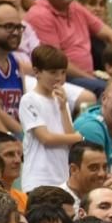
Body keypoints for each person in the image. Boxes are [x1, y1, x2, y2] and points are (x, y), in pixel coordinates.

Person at [25, 0, 112, 94]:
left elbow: (109, 35)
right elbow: (56, 63)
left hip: (89, 76)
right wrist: (92, 79)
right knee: (109, 90)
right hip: (62, 79)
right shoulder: (39, 14)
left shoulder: (75, 7)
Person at [19, 45, 84, 192]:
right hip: (39, 179)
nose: (59, 78)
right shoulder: (29, 99)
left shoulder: (61, 100)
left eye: (63, 72)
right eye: (53, 72)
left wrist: (63, 108)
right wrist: (77, 137)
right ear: (37, 72)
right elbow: (46, 138)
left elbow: (70, 140)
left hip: (62, 177)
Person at [0, 0, 23, 135]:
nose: (15, 32)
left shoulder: (16, 64)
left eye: (19, 27)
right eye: (8, 26)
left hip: (15, 136)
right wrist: (26, 138)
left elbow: (23, 110)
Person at [59, 140, 106, 209]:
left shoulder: (108, 198)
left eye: (104, 167)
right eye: (94, 168)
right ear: (73, 170)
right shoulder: (57, 202)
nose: (102, 174)